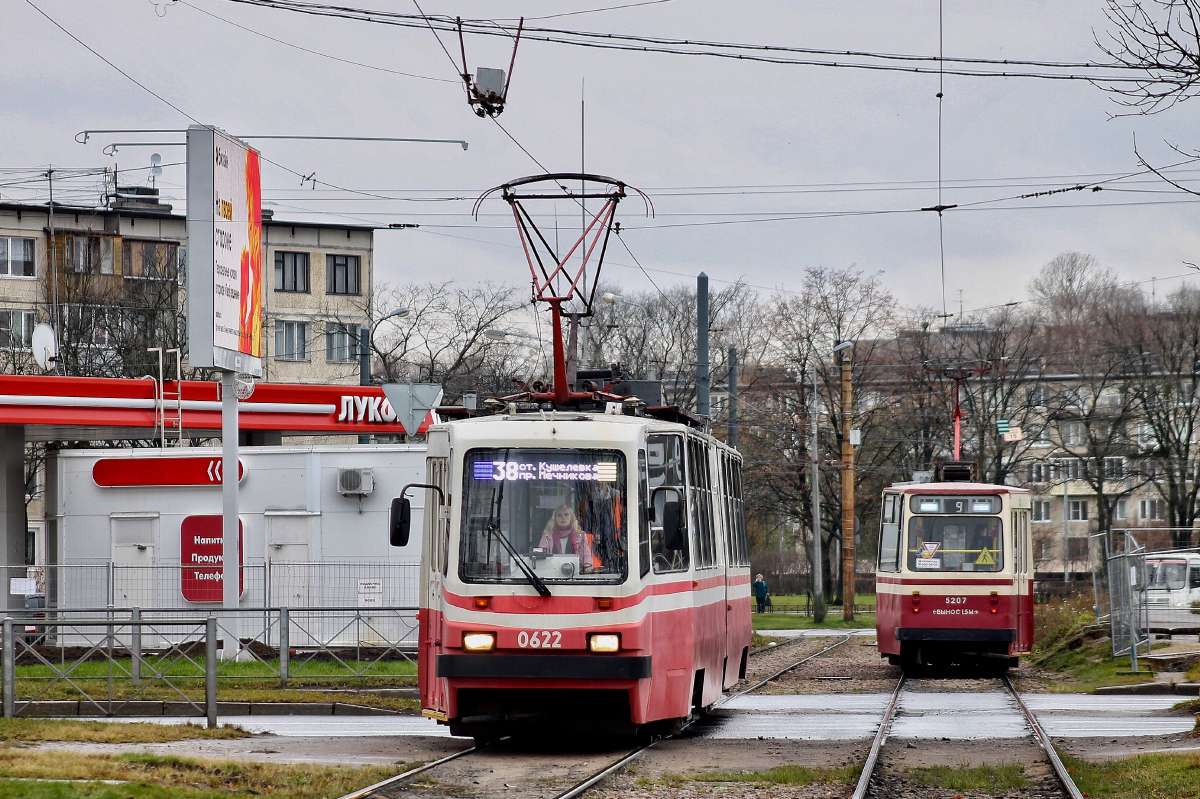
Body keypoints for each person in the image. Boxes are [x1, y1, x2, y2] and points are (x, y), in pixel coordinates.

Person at [538, 505, 596, 574]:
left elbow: (586, 554)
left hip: (575, 573)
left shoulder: (581, 535)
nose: (563, 517)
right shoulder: (547, 536)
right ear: (555, 519)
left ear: (571, 518)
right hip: (551, 573)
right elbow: (541, 554)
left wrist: (587, 565)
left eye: (566, 515)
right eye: (559, 515)